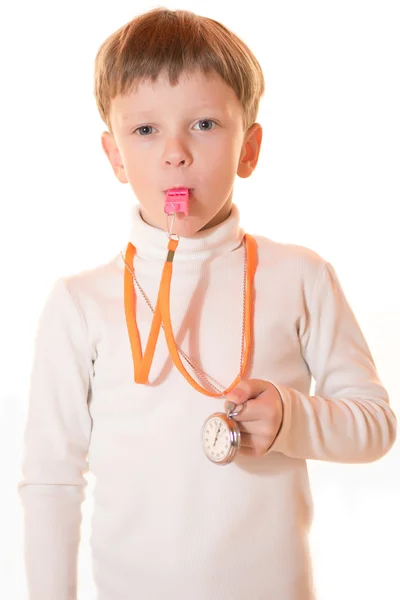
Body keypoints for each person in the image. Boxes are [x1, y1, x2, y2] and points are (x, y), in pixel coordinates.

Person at [18, 7, 397, 600]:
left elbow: (375, 427)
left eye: (204, 125)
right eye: (144, 130)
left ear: (249, 148)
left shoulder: (300, 276)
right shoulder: (79, 303)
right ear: (114, 156)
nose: (175, 153)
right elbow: (50, 480)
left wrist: (292, 419)